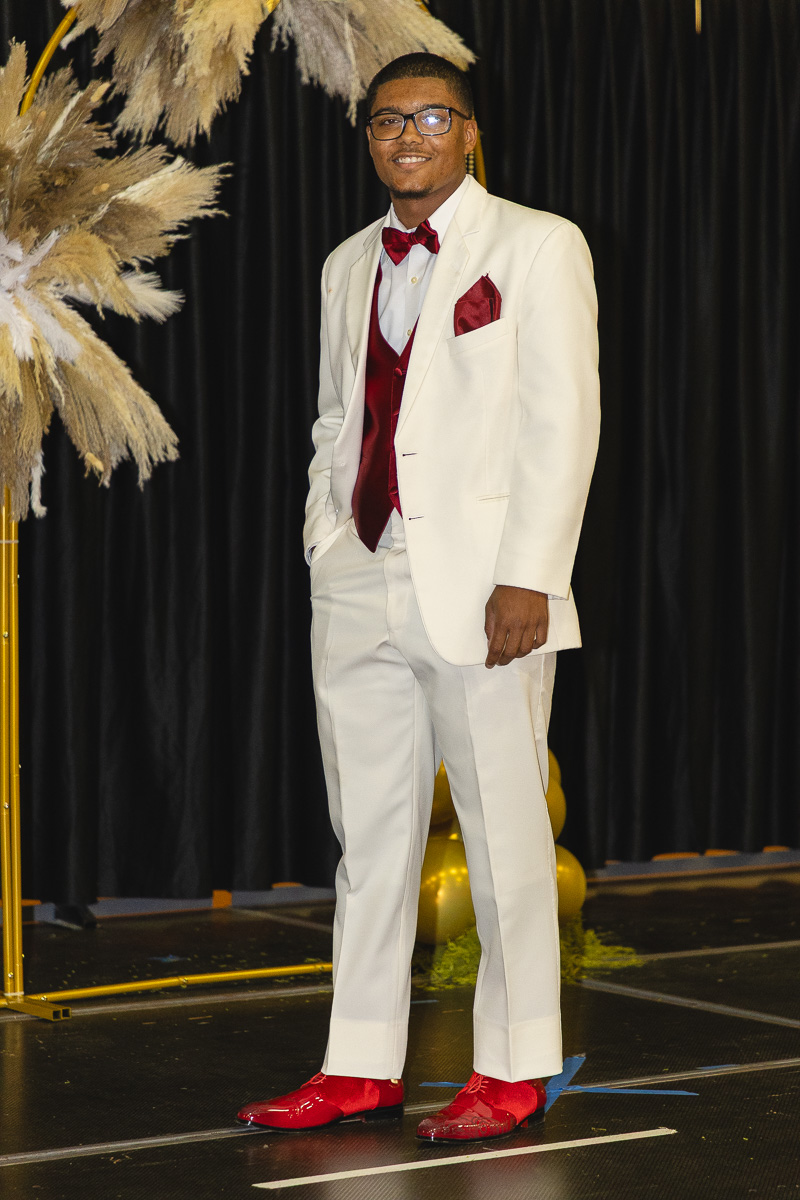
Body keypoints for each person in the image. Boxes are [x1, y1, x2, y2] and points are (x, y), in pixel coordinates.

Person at [238, 52, 600, 1143]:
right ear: (367, 136)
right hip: (359, 572)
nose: (406, 137)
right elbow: (332, 419)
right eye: (386, 120)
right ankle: (358, 1066)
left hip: (486, 587)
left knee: (501, 833)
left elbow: (561, 420)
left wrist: (528, 574)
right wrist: (323, 542)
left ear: (469, 132)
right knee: (370, 835)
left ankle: (513, 1062)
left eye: (429, 117)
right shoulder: (348, 262)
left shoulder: (537, 245)